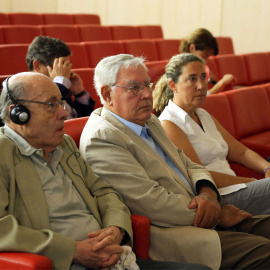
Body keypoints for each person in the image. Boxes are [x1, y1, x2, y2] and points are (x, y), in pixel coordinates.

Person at [0, 72, 212, 270]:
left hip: (112, 256)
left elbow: (104, 192)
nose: (64, 113)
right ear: (19, 114)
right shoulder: (3, 153)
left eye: (60, 103)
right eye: (51, 105)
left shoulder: (63, 144)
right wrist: (73, 250)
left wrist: (115, 229)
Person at [79, 53, 270, 270]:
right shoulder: (103, 137)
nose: (146, 95)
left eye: (147, 85)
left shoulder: (148, 120)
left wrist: (207, 192)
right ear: (107, 93)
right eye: (134, 88)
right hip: (176, 232)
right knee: (265, 252)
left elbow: (189, 164)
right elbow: (152, 202)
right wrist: (215, 214)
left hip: (203, 208)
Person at [153, 52, 270, 216]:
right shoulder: (169, 124)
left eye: (203, 77)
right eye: (192, 79)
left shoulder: (203, 115)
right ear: (173, 85)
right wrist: (252, 182)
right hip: (219, 196)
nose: (201, 86)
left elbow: (242, 152)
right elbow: (199, 175)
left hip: (239, 186)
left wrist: (266, 167)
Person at [26, 35, 95, 119]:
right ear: (37, 66)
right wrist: (60, 83)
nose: (65, 72)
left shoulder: (63, 87)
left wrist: (79, 94)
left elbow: (85, 123)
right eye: (59, 66)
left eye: (66, 66)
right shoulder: (25, 92)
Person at [179, 28, 236, 94]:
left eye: (208, 57)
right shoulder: (181, 69)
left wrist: (207, 82)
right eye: (204, 56)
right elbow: (198, 98)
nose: (205, 61)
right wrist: (222, 83)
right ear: (192, 48)